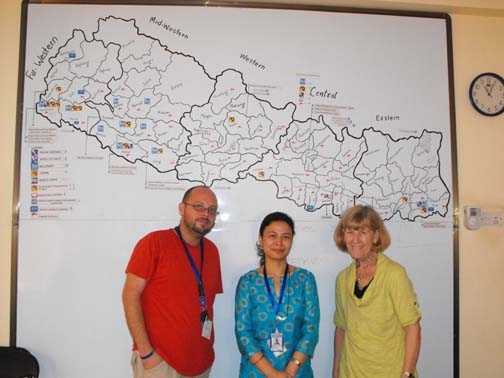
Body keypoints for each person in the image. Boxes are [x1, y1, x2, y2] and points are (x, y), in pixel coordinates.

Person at [122, 185, 223, 378]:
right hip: (161, 365)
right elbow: (129, 295)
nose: (206, 214)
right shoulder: (154, 243)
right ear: (182, 208)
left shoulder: (212, 251)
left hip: (201, 364)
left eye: (211, 210)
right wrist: (147, 353)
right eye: (199, 206)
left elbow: (205, 303)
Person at [332, 205, 421, 378]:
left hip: (391, 372)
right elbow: (341, 329)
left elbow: (413, 327)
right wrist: (335, 372)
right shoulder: (342, 279)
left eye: (363, 232)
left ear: (376, 236)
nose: (355, 239)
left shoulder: (394, 274)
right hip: (351, 372)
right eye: (350, 232)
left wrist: (407, 373)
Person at [235, 212, 320, 378]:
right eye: (272, 236)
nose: (279, 243)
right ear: (261, 239)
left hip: (297, 372)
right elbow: (243, 332)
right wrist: (272, 373)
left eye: (286, 237)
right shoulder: (248, 281)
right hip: (256, 372)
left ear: (292, 240)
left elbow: (311, 329)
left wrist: (289, 372)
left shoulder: (305, 279)